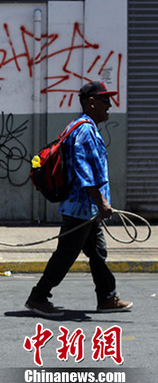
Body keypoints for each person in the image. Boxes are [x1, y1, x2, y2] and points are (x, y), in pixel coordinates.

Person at [25, 81, 133, 318]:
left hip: (87, 208)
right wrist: (102, 202)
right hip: (80, 207)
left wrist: (98, 203)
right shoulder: (84, 130)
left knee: (97, 252)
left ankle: (106, 298)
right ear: (92, 103)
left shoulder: (84, 127)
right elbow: (84, 172)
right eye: (105, 101)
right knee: (65, 255)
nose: (110, 106)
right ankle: (38, 297)